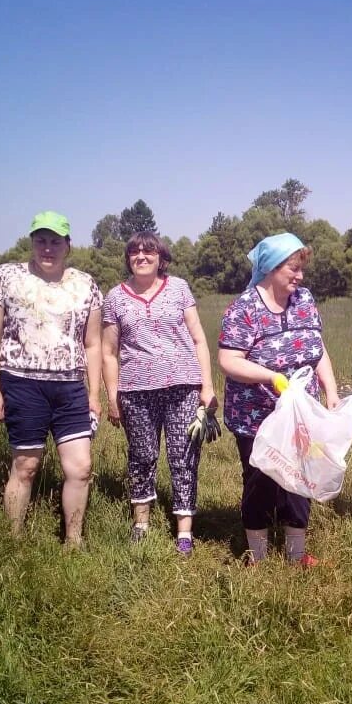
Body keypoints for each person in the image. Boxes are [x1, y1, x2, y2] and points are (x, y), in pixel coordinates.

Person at [0, 211, 103, 549]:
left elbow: (92, 343)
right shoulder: (6, 277)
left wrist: (95, 393)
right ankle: (14, 541)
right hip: (22, 383)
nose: (47, 248)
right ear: (31, 242)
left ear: (67, 245)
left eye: (55, 241)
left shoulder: (85, 284)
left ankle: (73, 540)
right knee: (26, 467)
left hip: (71, 387)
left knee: (80, 468)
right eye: (41, 240)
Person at [218, 232, 341, 566]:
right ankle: (256, 555)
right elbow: (229, 360)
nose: (299, 276)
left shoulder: (304, 300)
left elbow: (318, 348)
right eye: (293, 268)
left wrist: (330, 390)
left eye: (301, 269)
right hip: (255, 414)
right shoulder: (244, 309)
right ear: (271, 268)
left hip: (302, 412)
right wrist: (271, 377)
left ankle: (296, 553)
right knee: (260, 480)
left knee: (302, 476)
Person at [102, 231, 217, 556]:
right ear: (128, 258)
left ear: (160, 257)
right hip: (136, 392)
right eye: (135, 251)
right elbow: (109, 352)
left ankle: (184, 530)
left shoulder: (179, 288)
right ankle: (141, 523)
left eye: (148, 251)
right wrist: (112, 396)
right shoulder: (115, 298)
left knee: (184, 458)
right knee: (142, 457)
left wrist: (206, 386)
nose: (141, 256)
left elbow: (198, 339)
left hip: (183, 388)